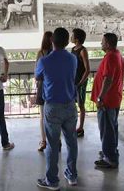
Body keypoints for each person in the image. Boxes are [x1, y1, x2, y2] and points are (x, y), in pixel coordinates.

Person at [36, 27, 78, 190]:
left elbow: (38, 76)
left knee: (53, 145)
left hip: (52, 107)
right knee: (72, 142)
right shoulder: (73, 59)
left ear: (52, 40)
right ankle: (72, 175)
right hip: (70, 105)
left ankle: (52, 180)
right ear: (68, 42)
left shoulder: (44, 61)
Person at [91, 33, 124, 169]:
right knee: (111, 127)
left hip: (107, 100)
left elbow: (108, 79)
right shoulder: (117, 54)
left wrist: (100, 97)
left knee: (107, 129)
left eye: (102, 41)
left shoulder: (111, 57)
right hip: (114, 98)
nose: (101, 44)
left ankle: (110, 158)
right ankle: (110, 151)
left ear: (108, 44)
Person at [35, 31, 53, 152]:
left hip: (42, 84)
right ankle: (55, 141)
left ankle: (43, 141)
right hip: (51, 85)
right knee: (52, 115)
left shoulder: (40, 53)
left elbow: (37, 71)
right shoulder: (55, 53)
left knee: (42, 116)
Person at [71, 29, 90, 137]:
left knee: (81, 105)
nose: (71, 37)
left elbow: (87, 69)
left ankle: (81, 127)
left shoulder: (83, 51)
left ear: (77, 39)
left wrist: (80, 83)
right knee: (72, 105)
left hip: (80, 82)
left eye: (72, 35)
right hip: (73, 81)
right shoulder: (73, 49)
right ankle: (73, 126)